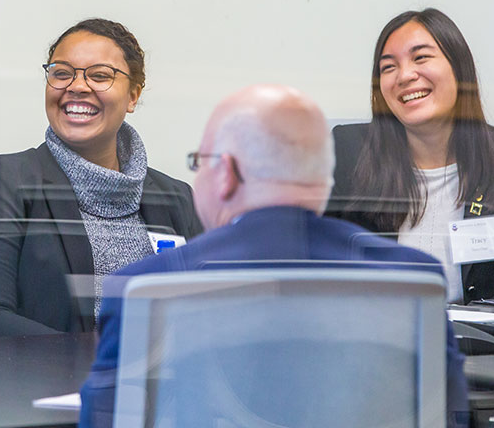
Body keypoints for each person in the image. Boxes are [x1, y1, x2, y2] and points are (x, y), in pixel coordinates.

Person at [78, 84, 467, 427]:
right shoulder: (414, 279)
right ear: (322, 180)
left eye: (201, 163)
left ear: (227, 173)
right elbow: (449, 416)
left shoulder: (145, 288)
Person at [0, 18, 202, 338]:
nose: (77, 86)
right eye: (61, 73)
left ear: (133, 96)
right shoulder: (5, 182)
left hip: (169, 383)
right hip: (53, 383)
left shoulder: (175, 197)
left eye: (99, 76)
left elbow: (210, 312)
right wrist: (107, 361)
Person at [328, 8, 494, 303]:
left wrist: (481, 324)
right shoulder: (348, 150)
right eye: (388, 67)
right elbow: (317, 267)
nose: (405, 75)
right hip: (373, 337)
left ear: (458, 68)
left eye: (420, 58)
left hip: (473, 344)